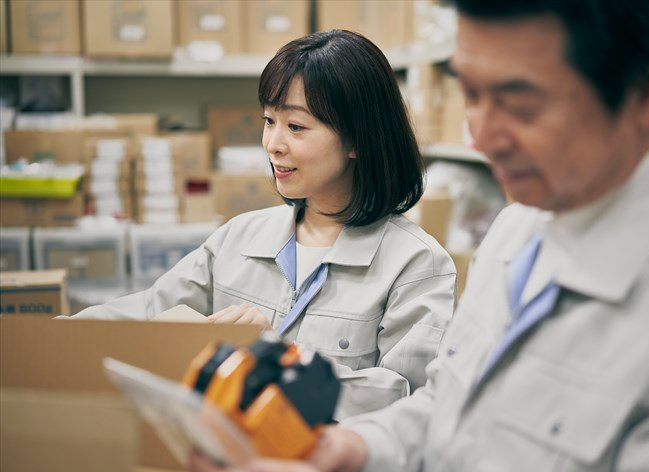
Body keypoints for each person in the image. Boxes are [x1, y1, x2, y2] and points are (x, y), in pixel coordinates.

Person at [188, 0, 649, 472]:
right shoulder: (520, 226)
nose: (481, 136)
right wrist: (356, 450)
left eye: (521, 103)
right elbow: (450, 404)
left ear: (645, 94)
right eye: (470, 92)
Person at [70, 30, 456, 419]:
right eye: (269, 120)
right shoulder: (240, 237)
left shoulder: (416, 264)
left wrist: (281, 361)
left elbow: (412, 402)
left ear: (358, 139)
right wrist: (44, 338)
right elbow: (147, 313)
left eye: (296, 127)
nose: (273, 143)